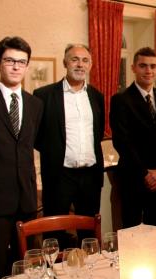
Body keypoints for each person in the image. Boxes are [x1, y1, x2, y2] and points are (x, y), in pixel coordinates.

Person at [0, 36, 42, 277]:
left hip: (26, 201)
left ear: (27, 66)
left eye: (21, 62)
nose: (15, 67)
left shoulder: (35, 105)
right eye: (9, 60)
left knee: (26, 268)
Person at [34, 44, 104, 239]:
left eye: (85, 60)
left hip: (90, 176)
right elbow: (38, 137)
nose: (80, 65)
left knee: (89, 234)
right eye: (74, 59)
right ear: (65, 62)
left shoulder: (97, 96)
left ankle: (90, 269)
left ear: (90, 65)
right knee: (54, 233)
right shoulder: (44, 96)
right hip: (59, 175)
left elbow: (97, 134)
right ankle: (55, 269)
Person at [110, 47, 156, 229]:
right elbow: (122, 143)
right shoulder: (120, 100)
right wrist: (146, 174)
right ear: (133, 68)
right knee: (133, 235)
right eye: (143, 66)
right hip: (134, 178)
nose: (148, 71)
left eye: (153, 66)